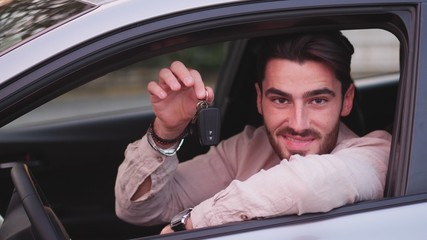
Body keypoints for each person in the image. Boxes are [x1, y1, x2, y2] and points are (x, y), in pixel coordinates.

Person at [114, 31, 392, 233]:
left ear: (346, 100)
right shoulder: (247, 147)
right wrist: (168, 130)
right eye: (280, 100)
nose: (298, 122)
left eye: (317, 100)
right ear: (259, 99)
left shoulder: (375, 153)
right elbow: (137, 209)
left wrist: (192, 225)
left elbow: (308, 184)